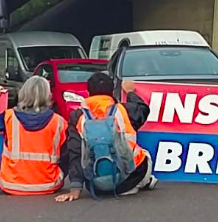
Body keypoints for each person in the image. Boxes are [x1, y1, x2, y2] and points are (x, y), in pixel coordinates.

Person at [55, 72, 155, 201]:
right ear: (112, 90)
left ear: (88, 91)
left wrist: (75, 188)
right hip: (129, 180)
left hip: (96, 186)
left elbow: (75, 152)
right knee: (143, 153)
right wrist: (130, 92)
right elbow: (143, 109)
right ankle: (145, 181)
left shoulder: (77, 117)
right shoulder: (124, 110)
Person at [0, 76, 68, 195]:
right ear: (48, 95)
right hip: (48, 184)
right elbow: (67, 156)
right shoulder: (59, 122)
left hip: (11, 184)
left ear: (23, 93)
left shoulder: (8, 117)